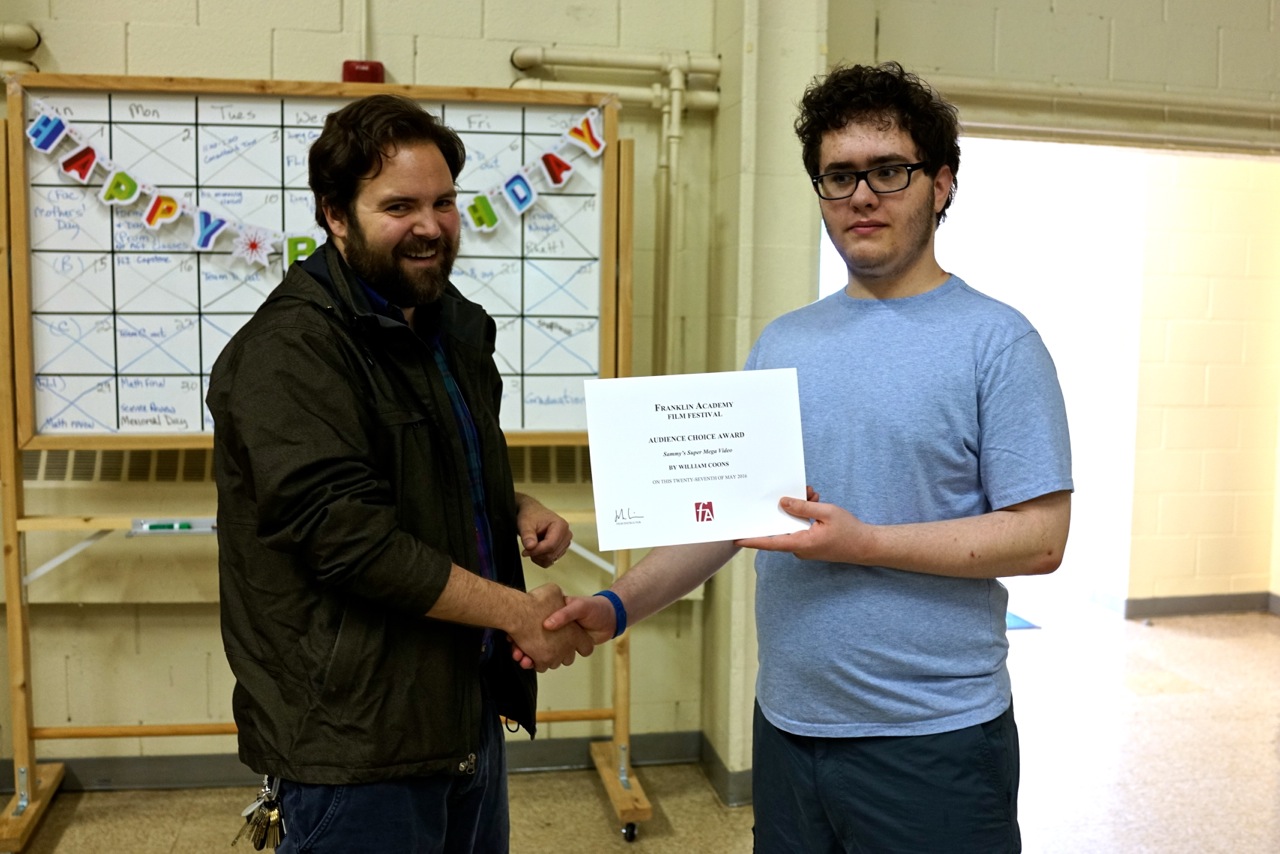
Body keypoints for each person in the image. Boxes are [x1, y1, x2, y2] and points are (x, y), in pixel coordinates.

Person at [534, 62, 1073, 853]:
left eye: (890, 171)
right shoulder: (784, 341)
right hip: (789, 730)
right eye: (839, 176)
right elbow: (728, 517)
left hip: (933, 741)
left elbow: (1041, 539)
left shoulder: (998, 342)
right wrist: (617, 607)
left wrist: (866, 543)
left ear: (943, 184)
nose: (862, 196)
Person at [208, 94, 593, 853]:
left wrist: (504, 502)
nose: (430, 225)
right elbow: (347, 537)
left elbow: (413, 463)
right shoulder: (291, 352)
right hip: (356, 742)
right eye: (399, 205)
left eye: (444, 201)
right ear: (336, 215)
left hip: (461, 711)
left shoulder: (449, 323)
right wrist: (516, 611)